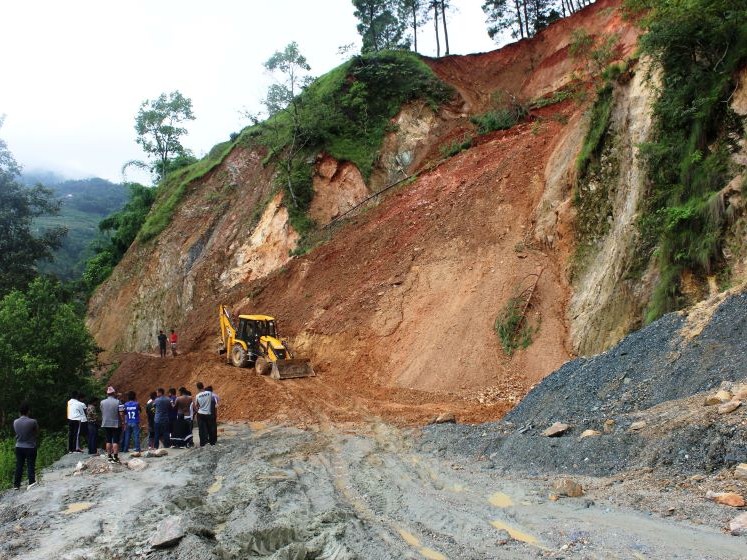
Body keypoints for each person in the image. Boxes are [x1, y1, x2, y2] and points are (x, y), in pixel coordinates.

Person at [13, 402, 39, 490]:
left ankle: (16, 484)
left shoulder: (15, 422)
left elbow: (17, 433)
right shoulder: (33, 421)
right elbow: (36, 433)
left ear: (19, 412)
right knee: (30, 464)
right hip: (30, 446)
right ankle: (31, 482)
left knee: (19, 465)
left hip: (19, 446)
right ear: (28, 411)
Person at [100, 386, 122, 464]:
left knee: (108, 440)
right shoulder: (118, 402)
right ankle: (115, 457)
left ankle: (109, 457)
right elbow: (121, 413)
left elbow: (102, 411)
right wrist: (123, 422)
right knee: (115, 440)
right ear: (114, 393)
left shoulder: (102, 402)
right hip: (116, 423)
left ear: (107, 394)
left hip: (106, 423)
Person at [193, 382, 216, 446]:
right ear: (203, 386)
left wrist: (197, 411)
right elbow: (213, 399)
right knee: (210, 428)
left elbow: (196, 405)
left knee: (202, 429)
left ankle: (203, 443)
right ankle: (212, 442)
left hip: (200, 414)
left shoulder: (197, 395)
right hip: (208, 413)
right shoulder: (209, 393)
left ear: (197, 388)